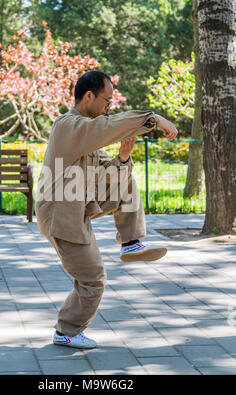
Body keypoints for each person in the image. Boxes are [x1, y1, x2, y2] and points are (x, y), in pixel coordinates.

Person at [35, 70, 178, 349]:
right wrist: (154, 118)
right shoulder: (67, 126)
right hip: (60, 213)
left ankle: (131, 242)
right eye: (106, 101)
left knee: (126, 177)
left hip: (80, 203)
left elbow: (107, 176)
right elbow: (107, 127)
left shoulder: (87, 136)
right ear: (88, 96)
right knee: (94, 280)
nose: (108, 108)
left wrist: (123, 157)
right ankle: (66, 331)